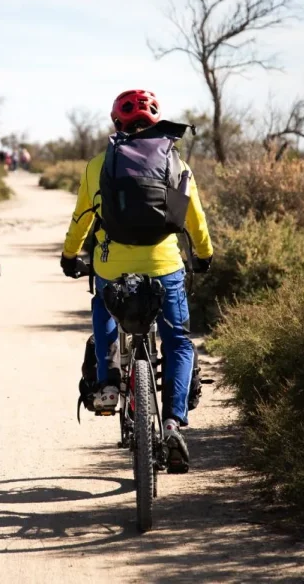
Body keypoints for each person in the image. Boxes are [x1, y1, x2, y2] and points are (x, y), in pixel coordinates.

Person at [60, 89, 213, 473]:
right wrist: (204, 255)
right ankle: (174, 423)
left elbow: (83, 217)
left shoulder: (100, 164)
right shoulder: (175, 161)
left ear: (118, 124)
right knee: (177, 341)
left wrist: (70, 255)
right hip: (164, 264)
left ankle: (108, 379)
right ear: (157, 122)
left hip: (113, 263)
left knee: (103, 303)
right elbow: (193, 217)